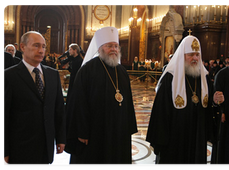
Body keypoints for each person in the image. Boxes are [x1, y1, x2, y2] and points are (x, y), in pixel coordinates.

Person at [146, 35, 224, 164]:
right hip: (175, 137)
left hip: (197, 135)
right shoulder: (170, 78)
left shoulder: (204, 78)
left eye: (197, 55)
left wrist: (215, 102)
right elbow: (160, 111)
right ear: (182, 55)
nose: (195, 58)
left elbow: (208, 108)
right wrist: (161, 139)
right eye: (191, 54)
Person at [65, 26, 137, 164]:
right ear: (99, 48)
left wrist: (128, 127)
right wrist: (81, 131)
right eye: (109, 46)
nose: (114, 49)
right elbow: (78, 103)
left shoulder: (122, 71)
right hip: (94, 132)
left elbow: (128, 102)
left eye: (116, 46)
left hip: (118, 130)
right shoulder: (86, 70)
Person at [2, 31, 66, 165]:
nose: (41, 50)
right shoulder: (8, 76)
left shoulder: (52, 75)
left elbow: (58, 110)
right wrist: (3, 151)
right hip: (19, 147)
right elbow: (3, 117)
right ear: (23, 47)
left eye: (43, 46)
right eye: (36, 45)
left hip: (46, 146)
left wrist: (61, 138)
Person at [211, 46, 229, 164]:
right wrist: (222, 112)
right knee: (227, 142)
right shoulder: (223, 74)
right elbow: (217, 94)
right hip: (228, 115)